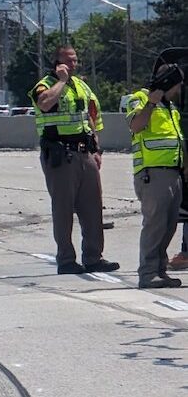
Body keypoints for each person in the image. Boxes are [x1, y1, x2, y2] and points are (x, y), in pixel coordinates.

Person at [29, 45, 120, 274]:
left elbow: (92, 118)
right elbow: (44, 103)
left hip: (84, 152)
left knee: (92, 208)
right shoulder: (46, 85)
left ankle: (93, 257)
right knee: (63, 209)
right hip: (61, 155)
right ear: (56, 64)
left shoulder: (82, 87)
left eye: (75, 60)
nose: (73, 65)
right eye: (68, 61)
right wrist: (60, 81)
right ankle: (66, 260)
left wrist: (97, 150)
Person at [128, 63, 186, 288]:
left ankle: (159, 271)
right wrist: (151, 101)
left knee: (169, 225)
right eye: (177, 85)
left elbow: (177, 139)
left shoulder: (170, 107)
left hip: (173, 172)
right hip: (153, 174)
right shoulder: (140, 99)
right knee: (155, 225)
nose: (179, 90)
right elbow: (136, 126)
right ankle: (148, 273)